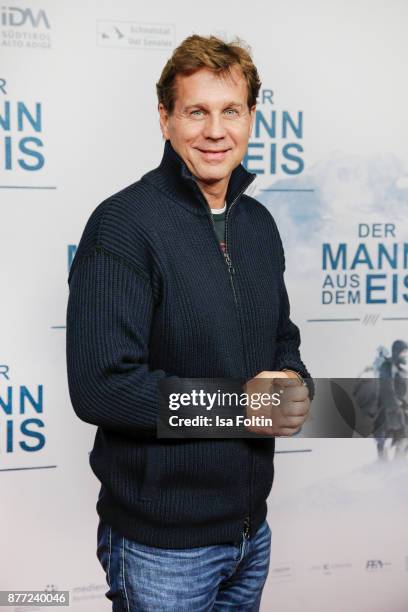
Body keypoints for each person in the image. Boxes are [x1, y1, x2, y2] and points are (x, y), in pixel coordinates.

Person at [66, 34, 312, 611]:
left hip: (251, 536)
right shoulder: (123, 225)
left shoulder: (258, 225)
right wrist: (243, 406)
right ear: (165, 119)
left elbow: (284, 343)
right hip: (164, 550)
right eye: (196, 111)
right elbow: (102, 388)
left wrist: (297, 387)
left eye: (231, 111)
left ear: (252, 117)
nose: (215, 130)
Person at [375, 339, 408, 460]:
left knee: (403, 439)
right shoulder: (388, 366)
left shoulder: (401, 370)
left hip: (400, 412)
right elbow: (387, 388)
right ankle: (383, 467)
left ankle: (397, 464)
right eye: (403, 352)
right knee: (385, 441)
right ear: (396, 352)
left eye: (406, 353)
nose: (405, 355)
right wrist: (395, 407)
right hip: (388, 413)